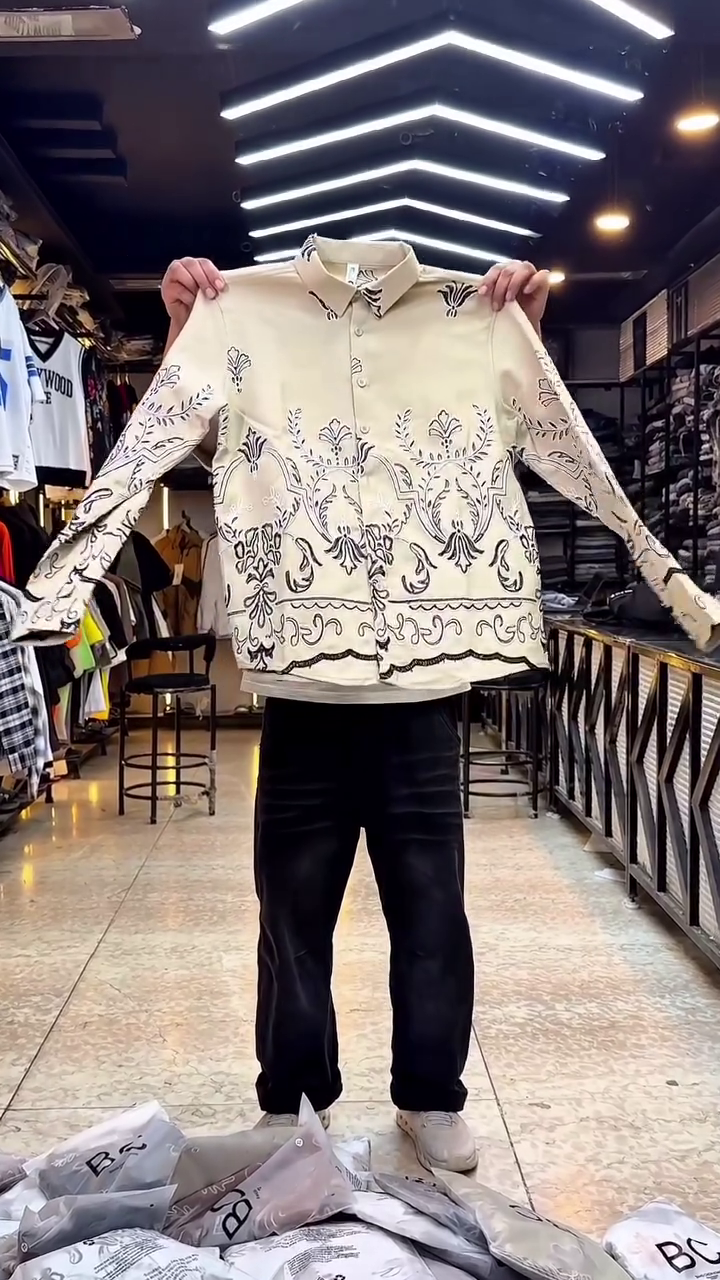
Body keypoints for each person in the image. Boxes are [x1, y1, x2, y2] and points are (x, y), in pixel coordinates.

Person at [160, 252, 551, 1173]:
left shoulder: (459, 319)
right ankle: (293, 1099)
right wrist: (186, 328)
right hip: (302, 692)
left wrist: (521, 330)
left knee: (432, 911)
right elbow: (190, 438)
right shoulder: (255, 313)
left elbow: (519, 434)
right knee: (290, 917)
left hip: (422, 690)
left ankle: (431, 1096)